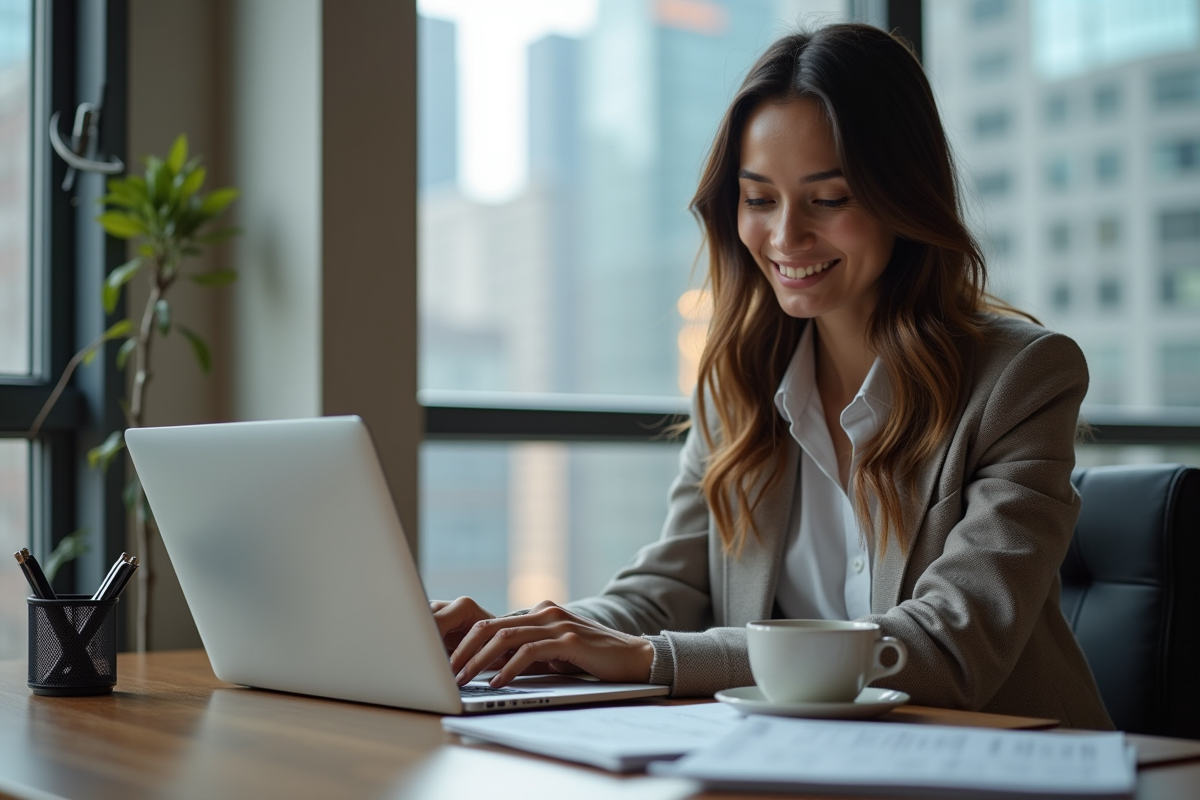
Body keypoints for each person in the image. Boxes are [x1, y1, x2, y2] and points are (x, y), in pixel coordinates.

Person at [431, 24, 1113, 730]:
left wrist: (651, 657)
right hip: (804, 761)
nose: (786, 236)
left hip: (1000, 765)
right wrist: (520, 637)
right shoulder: (742, 383)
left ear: (902, 198)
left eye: (829, 199)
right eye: (759, 199)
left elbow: (950, 645)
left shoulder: (1023, 376)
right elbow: (664, 594)